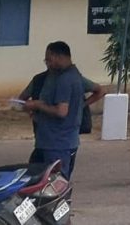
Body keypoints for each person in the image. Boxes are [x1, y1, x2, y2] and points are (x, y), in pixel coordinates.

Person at [19, 61, 104, 177]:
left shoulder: (71, 79)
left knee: (54, 176)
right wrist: (31, 109)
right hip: (47, 138)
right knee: (44, 175)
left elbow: (100, 91)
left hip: (62, 139)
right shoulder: (40, 79)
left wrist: (81, 105)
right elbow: (22, 100)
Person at [23, 41, 85, 179]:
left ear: (59, 57)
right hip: (60, 141)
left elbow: (61, 111)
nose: (48, 64)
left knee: (53, 181)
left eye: (49, 60)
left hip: (57, 143)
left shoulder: (64, 80)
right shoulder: (75, 75)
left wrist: (38, 105)